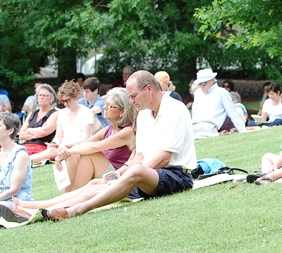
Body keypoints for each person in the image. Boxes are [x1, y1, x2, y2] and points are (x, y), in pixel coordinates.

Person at [39, 70, 197, 221]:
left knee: (134, 171)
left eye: (133, 96)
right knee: (96, 184)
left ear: (149, 89)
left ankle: (78, 209)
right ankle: (41, 210)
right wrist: (121, 175)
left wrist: (130, 176)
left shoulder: (174, 109)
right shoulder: (143, 114)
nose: (131, 101)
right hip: (148, 176)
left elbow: (164, 158)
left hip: (177, 177)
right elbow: (139, 156)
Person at [55, 87, 136, 191]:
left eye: (109, 106)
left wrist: (68, 152)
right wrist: (64, 150)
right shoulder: (108, 129)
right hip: (104, 173)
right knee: (75, 154)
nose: (104, 108)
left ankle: (73, 197)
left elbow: (94, 147)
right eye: (105, 104)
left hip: (118, 177)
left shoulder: (127, 131)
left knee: (90, 155)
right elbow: (83, 144)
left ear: (122, 112)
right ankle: (68, 195)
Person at [28, 81, 94, 166]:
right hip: (62, 147)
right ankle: (27, 160)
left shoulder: (85, 112)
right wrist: (54, 144)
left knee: (55, 152)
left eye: (68, 100)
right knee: (51, 150)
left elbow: (86, 137)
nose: (65, 103)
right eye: (63, 101)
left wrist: (68, 145)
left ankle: (26, 160)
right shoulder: (62, 113)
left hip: (79, 146)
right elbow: (58, 136)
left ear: (75, 97)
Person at [0, 113, 33, 223]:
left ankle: (19, 214)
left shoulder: (20, 154)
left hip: (15, 200)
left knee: (4, 206)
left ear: (9, 131)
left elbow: (14, 190)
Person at [191, 68, 246, 133]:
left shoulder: (221, 92)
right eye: (199, 84)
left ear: (212, 80)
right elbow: (194, 112)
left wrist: (242, 130)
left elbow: (232, 113)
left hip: (211, 126)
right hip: (196, 124)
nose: (202, 86)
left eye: (203, 83)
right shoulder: (198, 93)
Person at [18, 84, 58, 156]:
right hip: (27, 146)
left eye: (45, 95)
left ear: (52, 98)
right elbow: (21, 135)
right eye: (40, 95)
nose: (41, 97)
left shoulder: (55, 114)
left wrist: (29, 130)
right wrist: (36, 135)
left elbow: (44, 132)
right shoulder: (32, 114)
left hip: (44, 147)